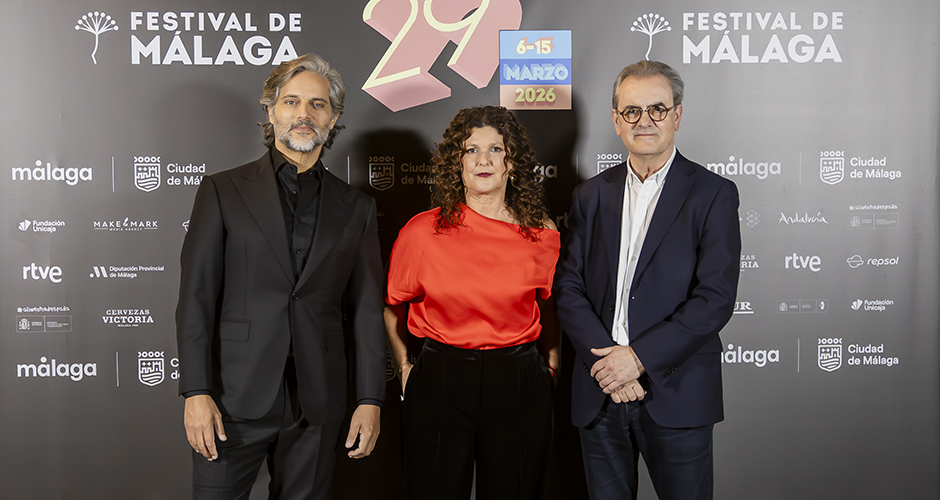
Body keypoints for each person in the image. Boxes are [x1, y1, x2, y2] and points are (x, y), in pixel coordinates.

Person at [176, 53, 386, 499]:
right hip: (232, 398)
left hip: (318, 403)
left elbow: (368, 312)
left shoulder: (358, 207)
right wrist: (196, 391)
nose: (304, 113)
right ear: (271, 111)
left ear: (333, 118)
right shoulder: (223, 190)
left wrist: (370, 399)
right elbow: (196, 299)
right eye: (291, 102)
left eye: (317, 104)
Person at [554, 60, 741, 500]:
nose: (645, 121)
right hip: (600, 391)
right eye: (632, 111)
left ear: (677, 115)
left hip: (676, 392)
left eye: (657, 109)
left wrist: (636, 359)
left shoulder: (713, 193)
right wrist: (610, 368)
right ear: (616, 120)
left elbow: (714, 299)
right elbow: (568, 288)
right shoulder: (589, 195)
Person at [385, 105, 560, 500]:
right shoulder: (421, 231)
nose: (483, 160)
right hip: (440, 377)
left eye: (496, 149)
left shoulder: (541, 232)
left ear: (511, 162)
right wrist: (405, 367)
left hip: (518, 379)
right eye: (471, 150)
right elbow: (392, 304)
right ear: (457, 163)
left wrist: (552, 366)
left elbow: (550, 307)